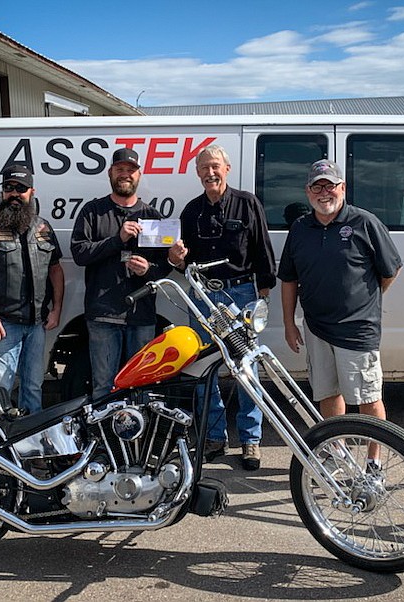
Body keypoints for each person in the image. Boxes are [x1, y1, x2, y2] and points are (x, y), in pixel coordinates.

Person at [278, 159, 403, 470]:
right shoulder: (300, 228)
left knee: (368, 399)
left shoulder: (365, 222)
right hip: (316, 328)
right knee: (327, 394)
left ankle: (374, 463)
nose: (324, 192)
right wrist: (289, 324)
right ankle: (338, 456)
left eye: (330, 185)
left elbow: (390, 271)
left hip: (357, 330)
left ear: (342, 188)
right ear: (308, 191)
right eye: (317, 186)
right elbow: (289, 279)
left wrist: (364, 302)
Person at [175, 144, 276, 471]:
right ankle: (215, 437)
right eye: (204, 168)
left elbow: (263, 248)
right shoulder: (191, 211)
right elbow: (184, 262)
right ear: (197, 173)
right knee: (205, 369)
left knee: (246, 366)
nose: (210, 172)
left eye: (215, 166)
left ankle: (250, 439)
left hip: (242, 294)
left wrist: (263, 295)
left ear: (227, 169)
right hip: (203, 296)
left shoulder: (247, 203)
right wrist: (176, 260)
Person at [70, 148, 187, 398]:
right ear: (110, 173)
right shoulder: (93, 211)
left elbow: (164, 267)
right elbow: (79, 254)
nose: (125, 175)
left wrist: (150, 269)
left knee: (141, 387)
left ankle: (135, 437)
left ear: (139, 176)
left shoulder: (152, 217)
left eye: (130, 171)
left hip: (141, 317)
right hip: (103, 315)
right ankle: (102, 437)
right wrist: (117, 239)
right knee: (103, 386)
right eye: (120, 170)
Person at [0, 164, 64, 415]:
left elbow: (56, 269)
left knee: (33, 388)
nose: (15, 193)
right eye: (9, 188)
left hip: (36, 325)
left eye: (21, 188)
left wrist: (57, 308)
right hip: (3, 327)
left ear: (32, 192)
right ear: (2, 191)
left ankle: (29, 448)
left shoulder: (43, 228)